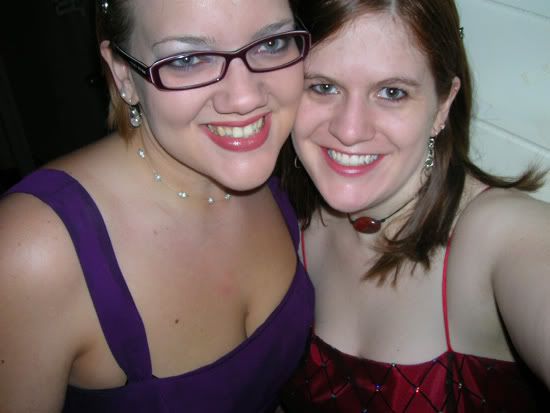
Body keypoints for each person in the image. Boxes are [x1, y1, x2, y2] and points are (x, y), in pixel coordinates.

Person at [0, 0, 314, 411]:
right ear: (122, 73)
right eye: (188, 59)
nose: (244, 98)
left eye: (271, 44)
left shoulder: (289, 168)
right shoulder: (32, 250)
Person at [276, 0, 550, 411]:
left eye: (392, 92)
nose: (349, 130)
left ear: (443, 105)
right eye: (323, 87)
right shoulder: (284, 217)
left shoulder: (501, 235)